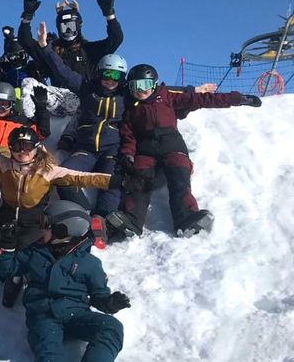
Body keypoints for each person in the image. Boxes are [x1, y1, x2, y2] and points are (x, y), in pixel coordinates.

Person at [0, 108, 114, 309]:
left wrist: (114, 181)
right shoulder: (3, 164)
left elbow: (82, 178)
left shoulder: (48, 171)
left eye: (27, 146)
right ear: (10, 147)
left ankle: (17, 278)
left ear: (36, 148)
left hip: (34, 221)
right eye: (17, 146)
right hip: (6, 216)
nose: (22, 151)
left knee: (27, 251)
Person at [0, 200, 131, 362]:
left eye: (46, 224)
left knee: (112, 327)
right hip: (44, 315)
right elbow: (7, 269)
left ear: (62, 230)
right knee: (48, 347)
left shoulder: (89, 263)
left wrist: (110, 303)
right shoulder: (35, 253)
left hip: (76, 314)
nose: (41, 229)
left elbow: (99, 296)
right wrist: (8, 245)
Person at [105, 64, 261, 240]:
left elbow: (202, 99)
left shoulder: (167, 96)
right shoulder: (131, 108)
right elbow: (128, 135)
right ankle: (131, 221)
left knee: (179, 176)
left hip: (171, 145)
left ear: (154, 84)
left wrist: (238, 99)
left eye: (145, 85)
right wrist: (128, 154)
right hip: (145, 149)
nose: (140, 90)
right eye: (135, 86)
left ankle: (186, 218)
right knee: (139, 181)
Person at [42, 51, 130, 225]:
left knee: (112, 181)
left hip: (111, 150)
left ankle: (103, 219)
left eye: (116, 76)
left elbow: (153, 95)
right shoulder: (87, 88)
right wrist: (46, 48)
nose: (110, 80)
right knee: (63, 176)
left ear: (123, 78)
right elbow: (63, 72)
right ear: (99, 73)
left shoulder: (125, 96)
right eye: (107, 74)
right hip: (85, 149)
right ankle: (83, 213)